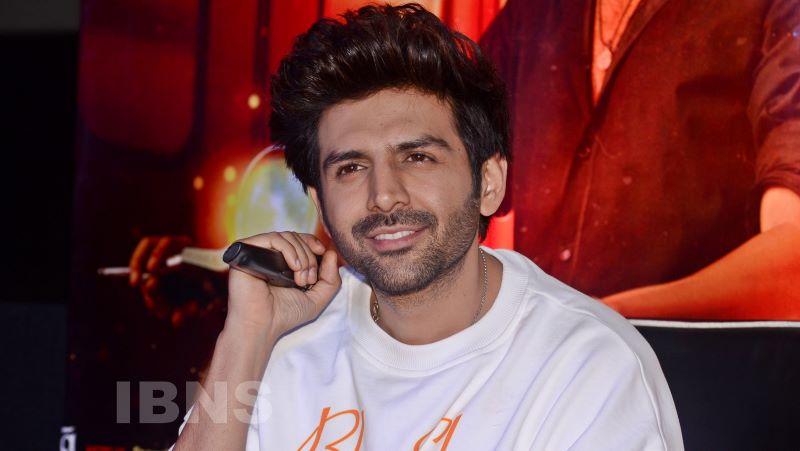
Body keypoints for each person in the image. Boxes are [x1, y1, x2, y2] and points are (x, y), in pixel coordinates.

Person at [173, 4, 682, 449]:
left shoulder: (586, 364)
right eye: (351, 168)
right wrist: (247, 336)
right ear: (320, 204)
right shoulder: (284, 341)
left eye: (417, 157)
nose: (383, 194)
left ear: (489, 183)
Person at [479, 0, 800, 319]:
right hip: (553, 346)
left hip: (686, 352)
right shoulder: (533, 14)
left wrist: (611, 318)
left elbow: (793, 263)